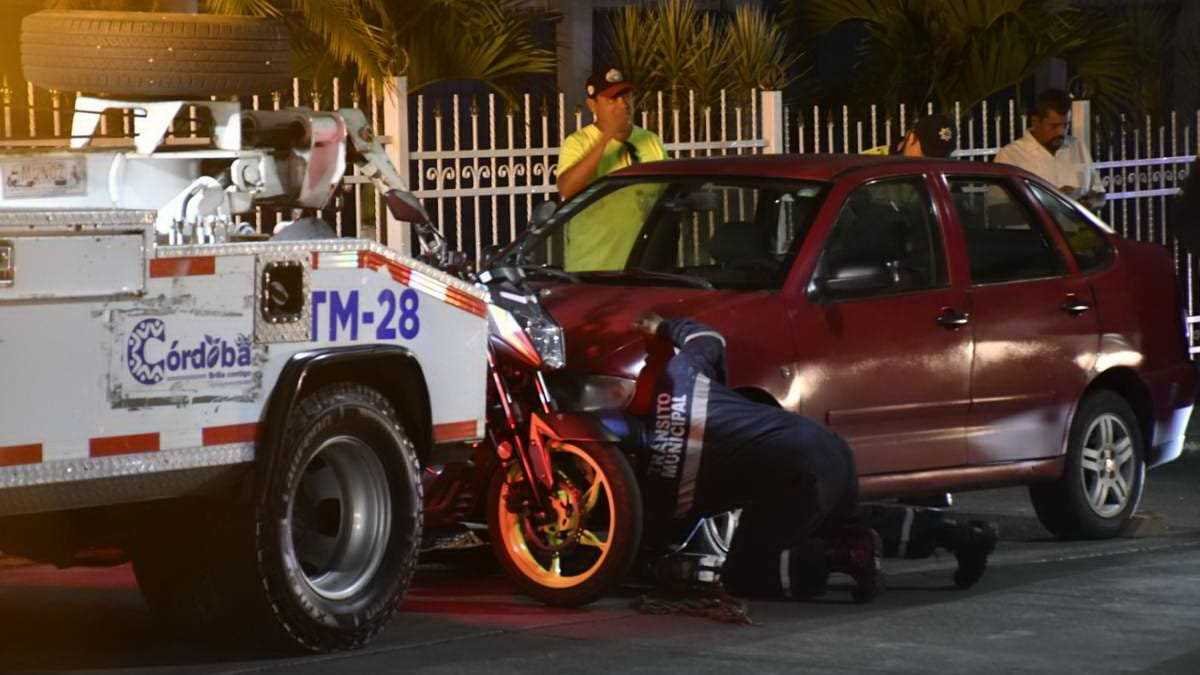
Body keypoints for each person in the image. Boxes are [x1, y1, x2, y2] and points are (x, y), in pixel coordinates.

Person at [621, 313, 882, 601]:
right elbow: (708, 339)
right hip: (832, 446)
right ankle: (897, 533)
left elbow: (648, 536)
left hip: (800, 475)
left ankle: (841, 556)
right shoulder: (682, 377)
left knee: (742, 576)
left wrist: (636, 563)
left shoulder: (665, 488)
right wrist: (662, 327)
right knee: (837, 521)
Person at [556, 66, 667, 272]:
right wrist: (606, 138)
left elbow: (667, 191)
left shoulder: (650, 140)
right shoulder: (578, 142)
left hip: (646, 267)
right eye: (612, 99)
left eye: (626, 96)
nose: (623, 104)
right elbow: (567, 189)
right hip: (595, 266)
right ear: (592, 105)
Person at [994, 89, 1105, 210]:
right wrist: (1051, 199)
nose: (1061, 132)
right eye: (1054, 126)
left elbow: (1099, 194)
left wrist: (1087, 204)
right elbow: (997, 207)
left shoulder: (1077, 147)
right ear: (1035, 122)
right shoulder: (1010, 156)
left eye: (1066, 125)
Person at [863, 113, 957, 158]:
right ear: (911, 138)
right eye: (926, 154)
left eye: (942, 156)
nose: (931, 163)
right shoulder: (872, 163)